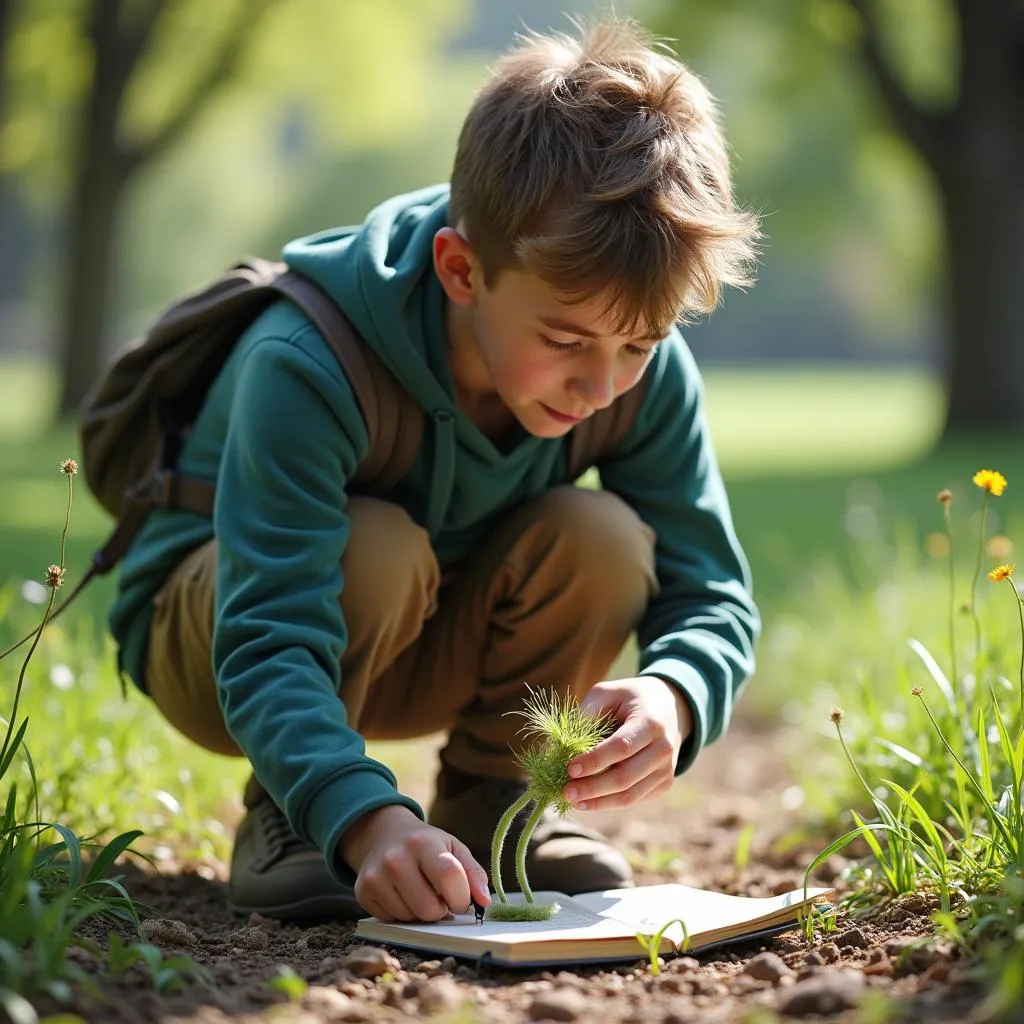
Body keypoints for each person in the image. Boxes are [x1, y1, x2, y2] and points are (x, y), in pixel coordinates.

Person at [107, 16, 761, 925]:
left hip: (420, 635)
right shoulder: (308, 358)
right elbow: (265, 641)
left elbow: (714, 590)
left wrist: (677, 692)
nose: (604, 382)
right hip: (223, 640)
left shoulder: (632, 373)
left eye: (641, 342)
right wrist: (367, 824)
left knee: (604, 539)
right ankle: (296, 818)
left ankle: (492, 814)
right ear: (461, 270)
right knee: (374, 546)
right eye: (566, 339)